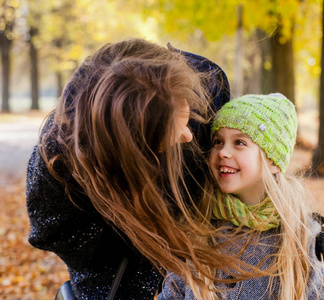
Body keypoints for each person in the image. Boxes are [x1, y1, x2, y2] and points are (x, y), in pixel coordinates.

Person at [26, 38, 233, 299]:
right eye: (167, 132)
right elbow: (53, 233)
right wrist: (136, 226)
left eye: (186, 113)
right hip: (116, 270)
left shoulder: (207, 85)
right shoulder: (57, 162)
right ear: (132, 146)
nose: (187, 136)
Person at [157, 94, 324, 300]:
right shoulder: (197, 230)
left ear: (273, 161)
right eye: (218, 142)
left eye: (239, 142)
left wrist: (308, 232)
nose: (223, 152)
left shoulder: (299, 238)